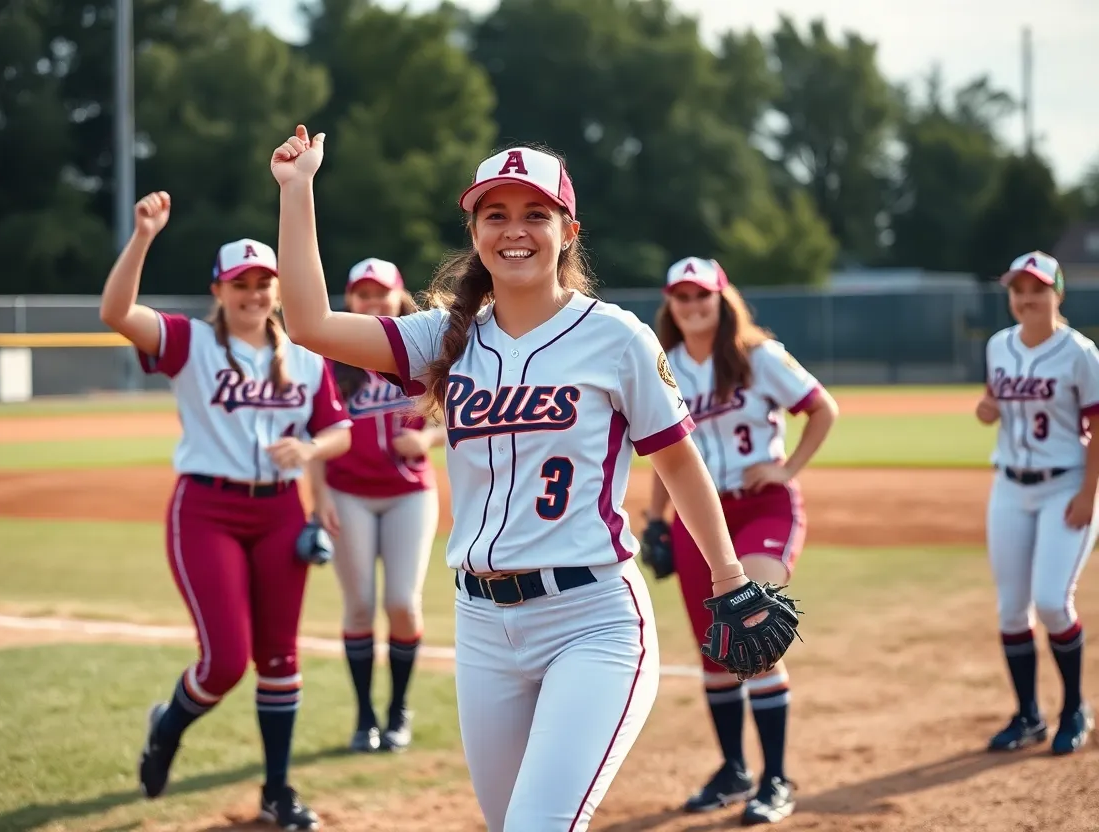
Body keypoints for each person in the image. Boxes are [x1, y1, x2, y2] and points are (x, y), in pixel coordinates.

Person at [265, 124, 796, 832]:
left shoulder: (616, 337)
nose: (515, 231)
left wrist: (729, 577)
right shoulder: (443, 338)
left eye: (535, 214)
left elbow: (677, 460)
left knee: (538, 825)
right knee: (509, 822)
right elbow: (305, 324)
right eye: (496, 214)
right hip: (483, 626)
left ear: (568, 229)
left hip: (592, 619)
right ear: (475, 229)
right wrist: (298, 192)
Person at [99, 191, 354, 831]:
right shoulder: (188, 342)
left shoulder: (305, 353)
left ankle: (276, 792)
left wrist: (312, 446)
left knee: (280, 658)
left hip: (278, 514)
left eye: (264, 283)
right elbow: (115, 312)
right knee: (224, 661)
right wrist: (143, 238)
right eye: (241, 284)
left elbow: (341, 430)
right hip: (207, 509)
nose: (254, 294)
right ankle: (169, 725)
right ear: (219, 289)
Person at [640, 257, 838, 825]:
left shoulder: (758, 357)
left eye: (701, 295)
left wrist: (789, 468)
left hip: (761, 506)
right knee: (715, 650)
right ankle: (734, 770)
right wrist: (656, 520)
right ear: (670, 306)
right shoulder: (664, 366)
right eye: (681, 296)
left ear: (722, 301)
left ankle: (775, 778)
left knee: (754, 627)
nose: (692, 305)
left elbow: (823, 408)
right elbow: (665, 455)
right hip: (699, 519)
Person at [308, 256, 445, 754]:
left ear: (398, 295)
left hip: (409, 490)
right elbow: (316, 432)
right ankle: (365, 714)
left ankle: (398, 710)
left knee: (402, 604)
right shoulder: (330, 355)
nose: (371, 301)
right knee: (361, 604)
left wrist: (429, 438)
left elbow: (467, 409)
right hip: (348, 492)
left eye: (379, 292)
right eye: (362, 293)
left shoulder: (423, 346)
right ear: (350, 300)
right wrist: (318, 498)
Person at [975, 250, 1096, 757]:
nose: (1026, 299)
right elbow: (993, 404)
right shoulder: (999, 345)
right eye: (1018, 290)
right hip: (1009, 486)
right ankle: (1027, 715)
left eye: (1037, 290)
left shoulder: (1080, 353)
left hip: (1064, 485)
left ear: (1057, 294)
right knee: (1010, 610)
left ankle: (1074, 709)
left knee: (1050, 601)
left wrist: (1088, 493)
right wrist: (987, 408)